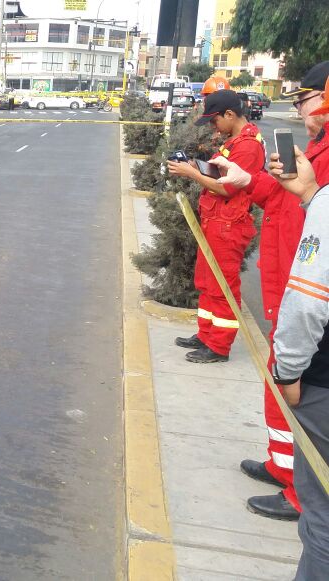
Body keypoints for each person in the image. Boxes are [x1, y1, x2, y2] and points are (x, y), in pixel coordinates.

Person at [213, 62, 329, 520]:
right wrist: (253, 181)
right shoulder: (318, 148)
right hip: (285, 275)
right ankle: (284, 468)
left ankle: (302, 493)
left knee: (299, 387)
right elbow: (284, 198)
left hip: (306, 287)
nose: (299, 110)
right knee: (283, 387)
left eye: (303, 100)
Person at [267, 142, 329, 578]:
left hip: (324, 387)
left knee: (323, 516)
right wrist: (308, 193)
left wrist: (287, 370)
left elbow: (307, 305)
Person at [167, 89, 265, 363]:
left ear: (230, 115)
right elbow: (220, 173)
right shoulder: (234, 140)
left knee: (222, 286)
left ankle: (218, 347)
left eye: (214, 120)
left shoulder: (247, 146)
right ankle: (206, 334)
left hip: (228, 226)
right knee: (207, 282)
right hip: (216, 223)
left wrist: (192, 173)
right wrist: (197, 166)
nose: (213, 126)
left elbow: (227, 190)